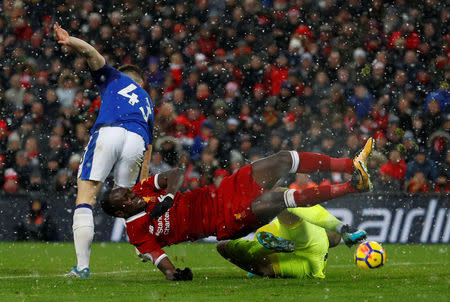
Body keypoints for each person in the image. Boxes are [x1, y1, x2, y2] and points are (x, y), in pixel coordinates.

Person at [100, 138, 374, 281]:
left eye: (126, 190)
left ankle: (351, 166)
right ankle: (353, 187)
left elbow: (176, 173)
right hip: (222, 220)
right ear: (121, 211)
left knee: (280, 160)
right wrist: (175, 274)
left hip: (222, 191)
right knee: (276, 200)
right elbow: (160, 260)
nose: (131, 193)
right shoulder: (137, 232)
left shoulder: (145, 189)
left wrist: (169, 195)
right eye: (125, 196)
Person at [54, 23, 156, 278]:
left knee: (86, 196)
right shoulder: (147, 103)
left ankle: (82, 267)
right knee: (129, 201)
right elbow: (148, 151)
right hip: (136, 140)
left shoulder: (114, 78)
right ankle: (144, 249)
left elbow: (91, 53)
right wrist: (141, 184)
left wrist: (70, 40)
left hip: (109, 132)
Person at [217, 205, 367, 278]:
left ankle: (262, 252)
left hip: (286, 237)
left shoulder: (264, 231)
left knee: (223, 247)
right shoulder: (321, 233)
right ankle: (260, 258)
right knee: (265, 269)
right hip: (312, 259)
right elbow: (332, 236)